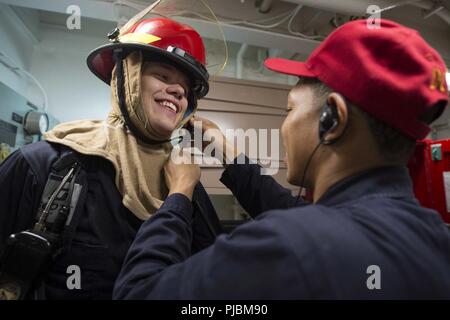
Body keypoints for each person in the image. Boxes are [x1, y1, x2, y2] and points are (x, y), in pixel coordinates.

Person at [113, 19, 450, 299]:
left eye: (289, 109)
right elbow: (301, 213)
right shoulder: (436, 239)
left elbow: (137, 293)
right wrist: (229, 156)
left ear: (332, 119)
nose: (284, 124)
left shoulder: (284, 246)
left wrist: (178, 196)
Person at [0, 17, 222, 299]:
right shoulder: (41, 166)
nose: (179, 91)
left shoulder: (187, 183)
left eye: (185, 90)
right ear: (126, 77)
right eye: (164, 77)